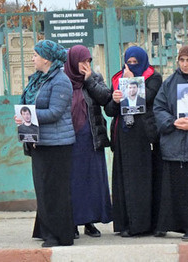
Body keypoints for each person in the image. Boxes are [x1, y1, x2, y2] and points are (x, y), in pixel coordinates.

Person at [16, 40, 75, 247]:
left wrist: (27, 116)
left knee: (55, 190)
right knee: (42, 189)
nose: (32, 58)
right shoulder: (38, 80)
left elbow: (55, 112)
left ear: (47, 59)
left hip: (57, 145)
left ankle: (60, 235)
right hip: (39, 142)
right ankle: (47, 231)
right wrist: (26, 120)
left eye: (35, 55)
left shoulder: (61, 81)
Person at [104, 46, 163, 237]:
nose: (131, 66)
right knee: (124, 181)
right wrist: (114, 99)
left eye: (135, 63)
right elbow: (111, 111)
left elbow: (145, 99)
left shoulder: (154, 78)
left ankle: (144, 224)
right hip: (123, 136)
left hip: (143, 136)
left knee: (143, 181)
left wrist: (129, 82)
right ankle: (126, 223)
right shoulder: (117, 79)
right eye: (128, 62)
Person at [64, 45, 112, 239]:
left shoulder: (94, 78)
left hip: (91, 138)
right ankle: (73, 222)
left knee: (91, 181)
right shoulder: (63, 80)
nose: (85, 65)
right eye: (82, 61)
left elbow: (105, 99)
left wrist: (89, 80)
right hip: (70, 139)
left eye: (88, 61)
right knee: (73, 181)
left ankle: (89, 222)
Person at [154, 45, 188, 241]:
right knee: (180, 192)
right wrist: (172, 122)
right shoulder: (170, 83)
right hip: (174, 147)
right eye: (182, 60)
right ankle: (185, 227)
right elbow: (159, 107)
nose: (185, 64)